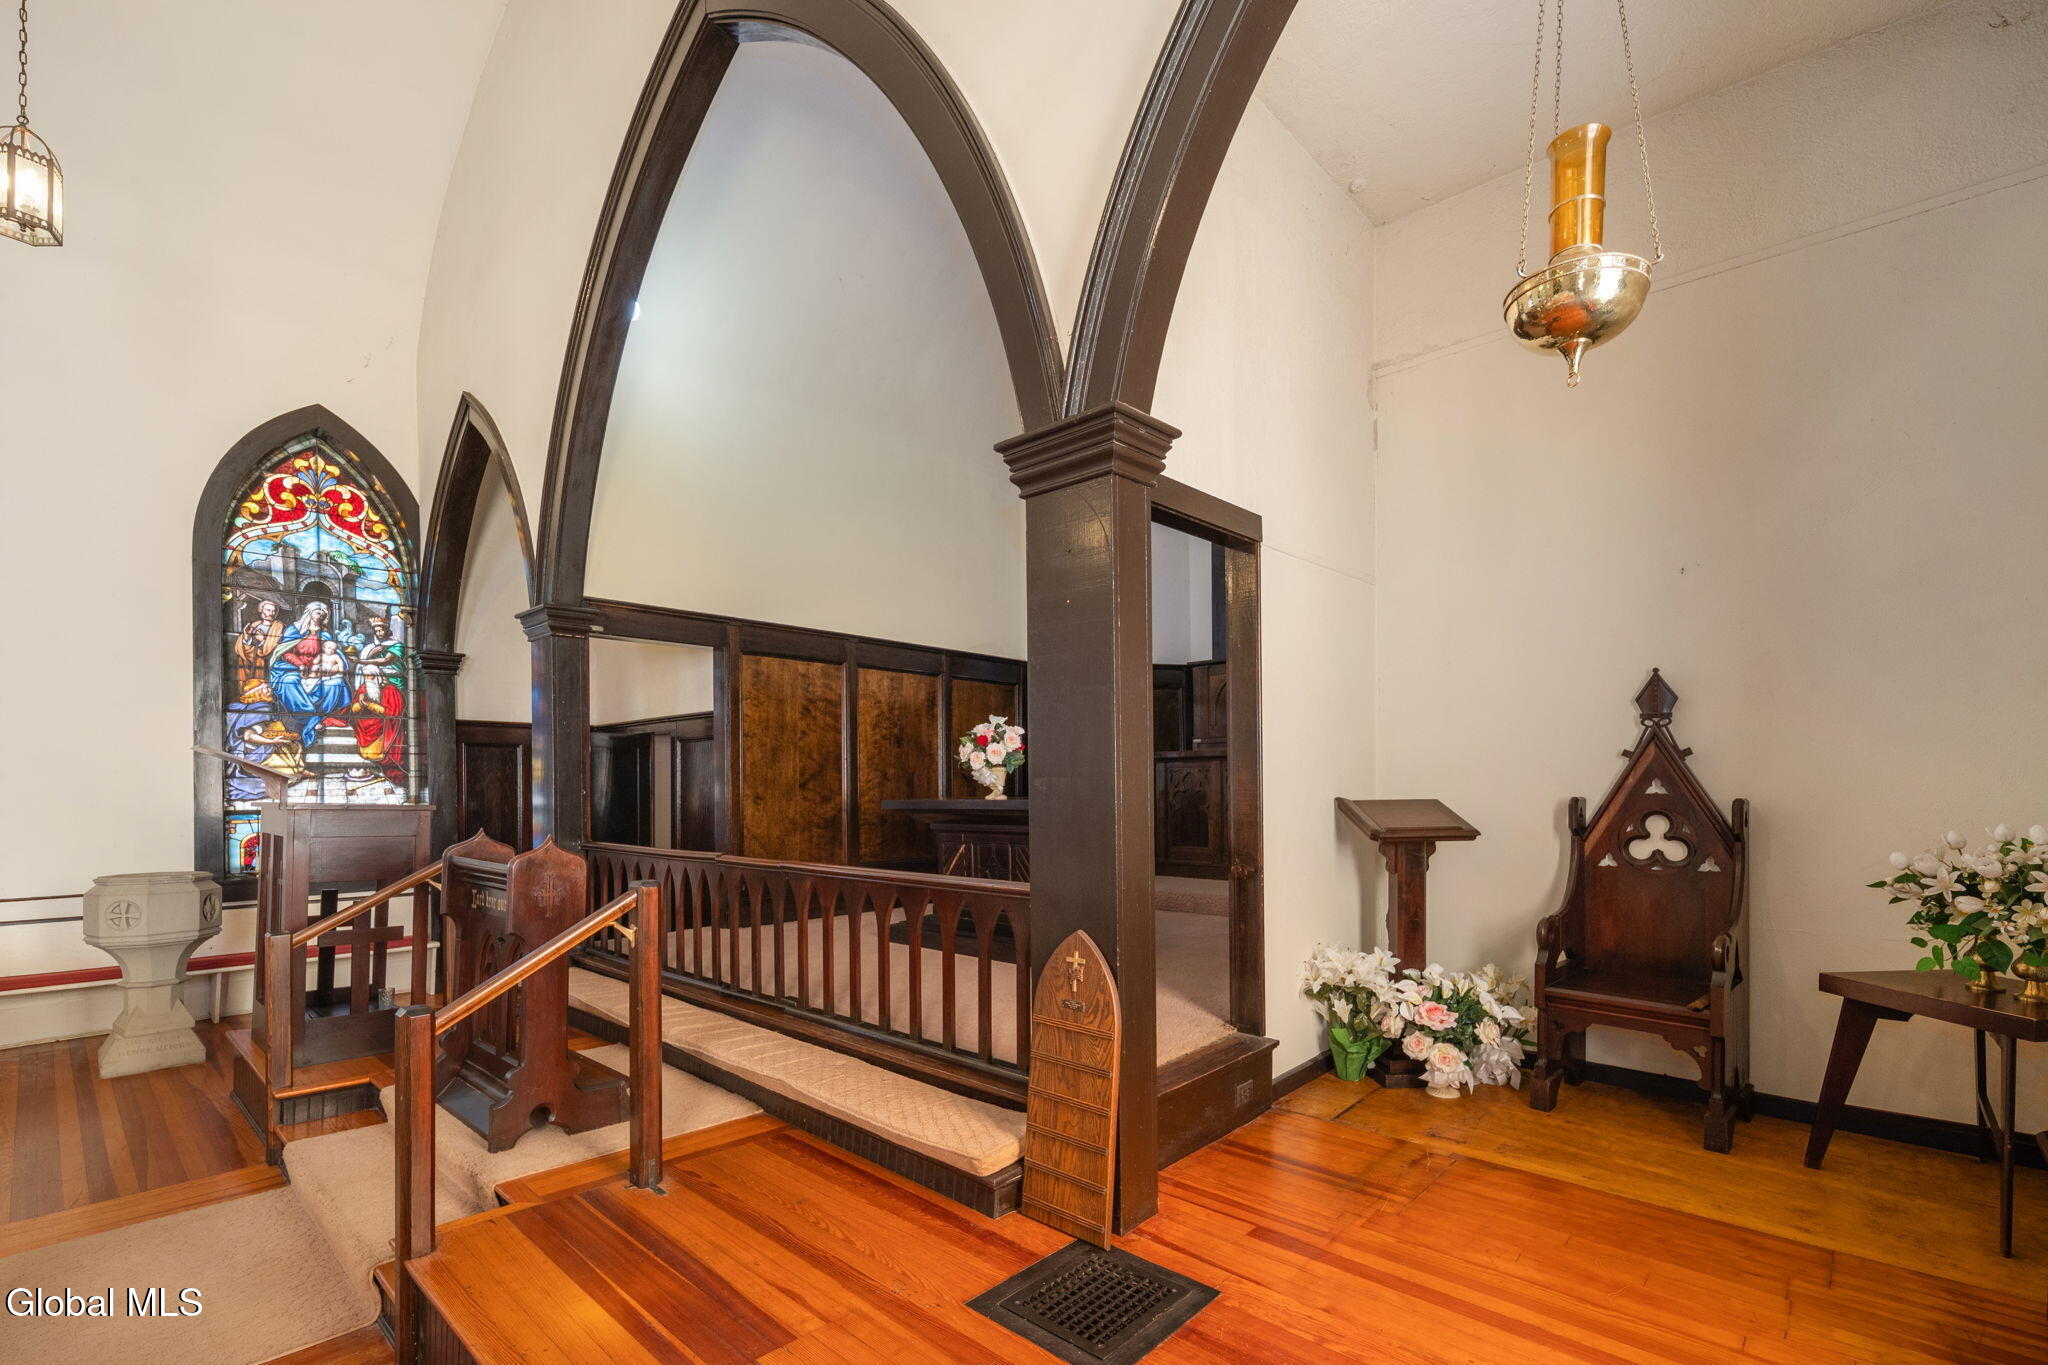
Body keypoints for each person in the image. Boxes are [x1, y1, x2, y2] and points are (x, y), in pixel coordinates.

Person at [233, 599, 284, 701]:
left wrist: (262, 641)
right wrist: (246, 637)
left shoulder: (278, 626)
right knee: (241, 659)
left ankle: (262, 694)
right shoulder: (255, 625)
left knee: (260, 659)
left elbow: (273, 648)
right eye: (268, 610)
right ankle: (246, 692)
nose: (271, 613)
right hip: (252, 658)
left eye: (273, 611)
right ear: (261, 610)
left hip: (269, 660)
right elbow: (241, 648)